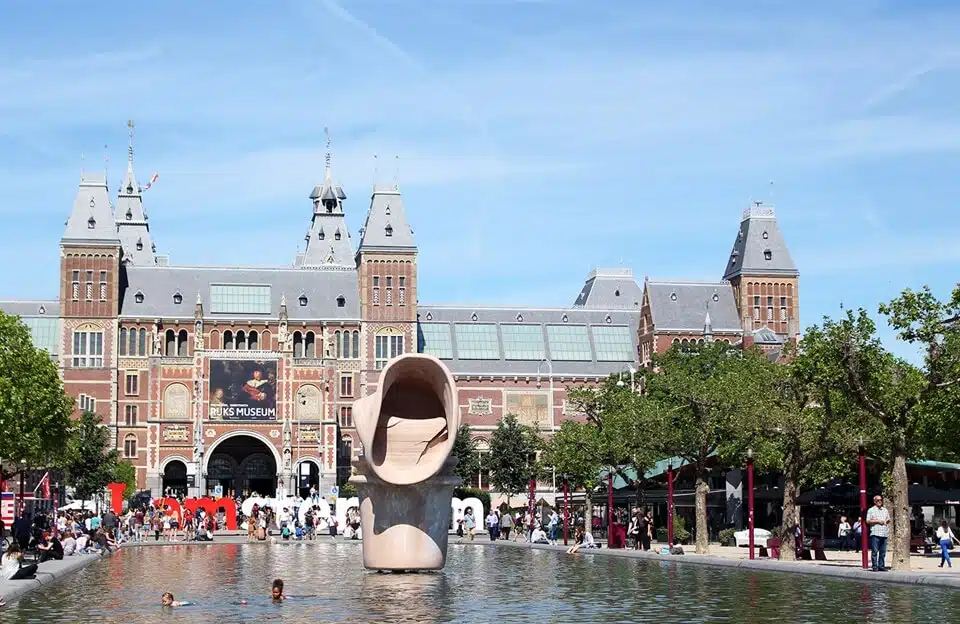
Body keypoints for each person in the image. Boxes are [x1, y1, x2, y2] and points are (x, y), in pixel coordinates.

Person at [866, 494, 891, 572]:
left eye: (881, 500)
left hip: (884, 533)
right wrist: (877, 521)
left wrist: (886, 521)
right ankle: (874, 566)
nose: (880, 502)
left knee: (883, 552)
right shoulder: (871, 510)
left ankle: (881, 566)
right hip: (875, 533)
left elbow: (888, 519)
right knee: (875, 551)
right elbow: (868, 521)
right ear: (874, 501)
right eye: (878, 500)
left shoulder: (885, 510)